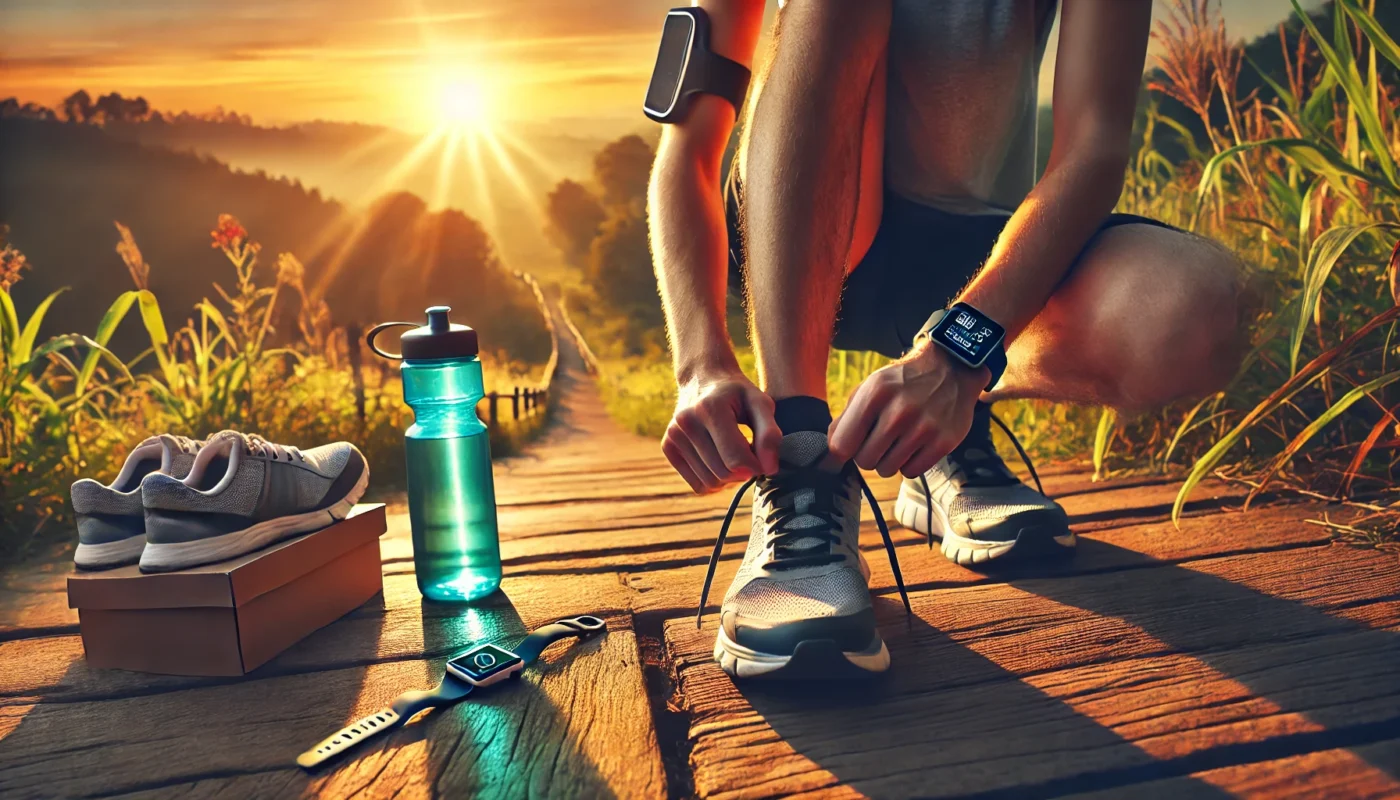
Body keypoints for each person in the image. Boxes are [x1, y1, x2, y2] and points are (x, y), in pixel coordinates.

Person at [647, 0, 1250, 679]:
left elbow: (1094, 146)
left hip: (981, 261)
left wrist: (961, 354)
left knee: (1188, 310)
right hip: (799, 227)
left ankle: (949, 428)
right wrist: (699, 362)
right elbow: (687, 151)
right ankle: (801, 463)